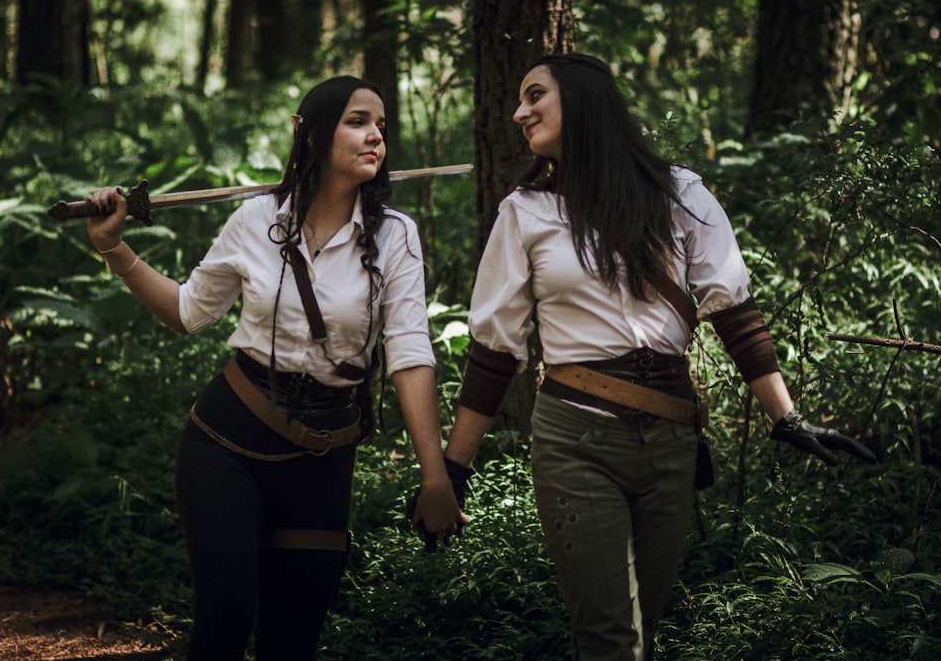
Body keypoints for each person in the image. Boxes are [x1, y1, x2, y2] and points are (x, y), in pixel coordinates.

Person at [439, 54, 877, 661]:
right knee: (611, 640)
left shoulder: (680, 193)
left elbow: (732, 309)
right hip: (575, 441)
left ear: (584, 99)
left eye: (535, 95)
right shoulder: (525, 212)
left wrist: (787, 416)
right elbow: (494, 352)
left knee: (643, 633)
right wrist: (451, 473)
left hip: (671, 439)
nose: (518, 113)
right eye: (518, 100)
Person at [84, 76, 466, 660]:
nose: (376, 137)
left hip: (322, 456)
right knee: (228, 616)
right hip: (226, 440)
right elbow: (188, 313)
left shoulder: (397, 237)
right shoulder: (256, 219)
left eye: (382, 127)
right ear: (311, 133)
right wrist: (115, 248)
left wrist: (435, 476)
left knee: (293, 641)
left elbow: (410, 353)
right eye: (358, 121)